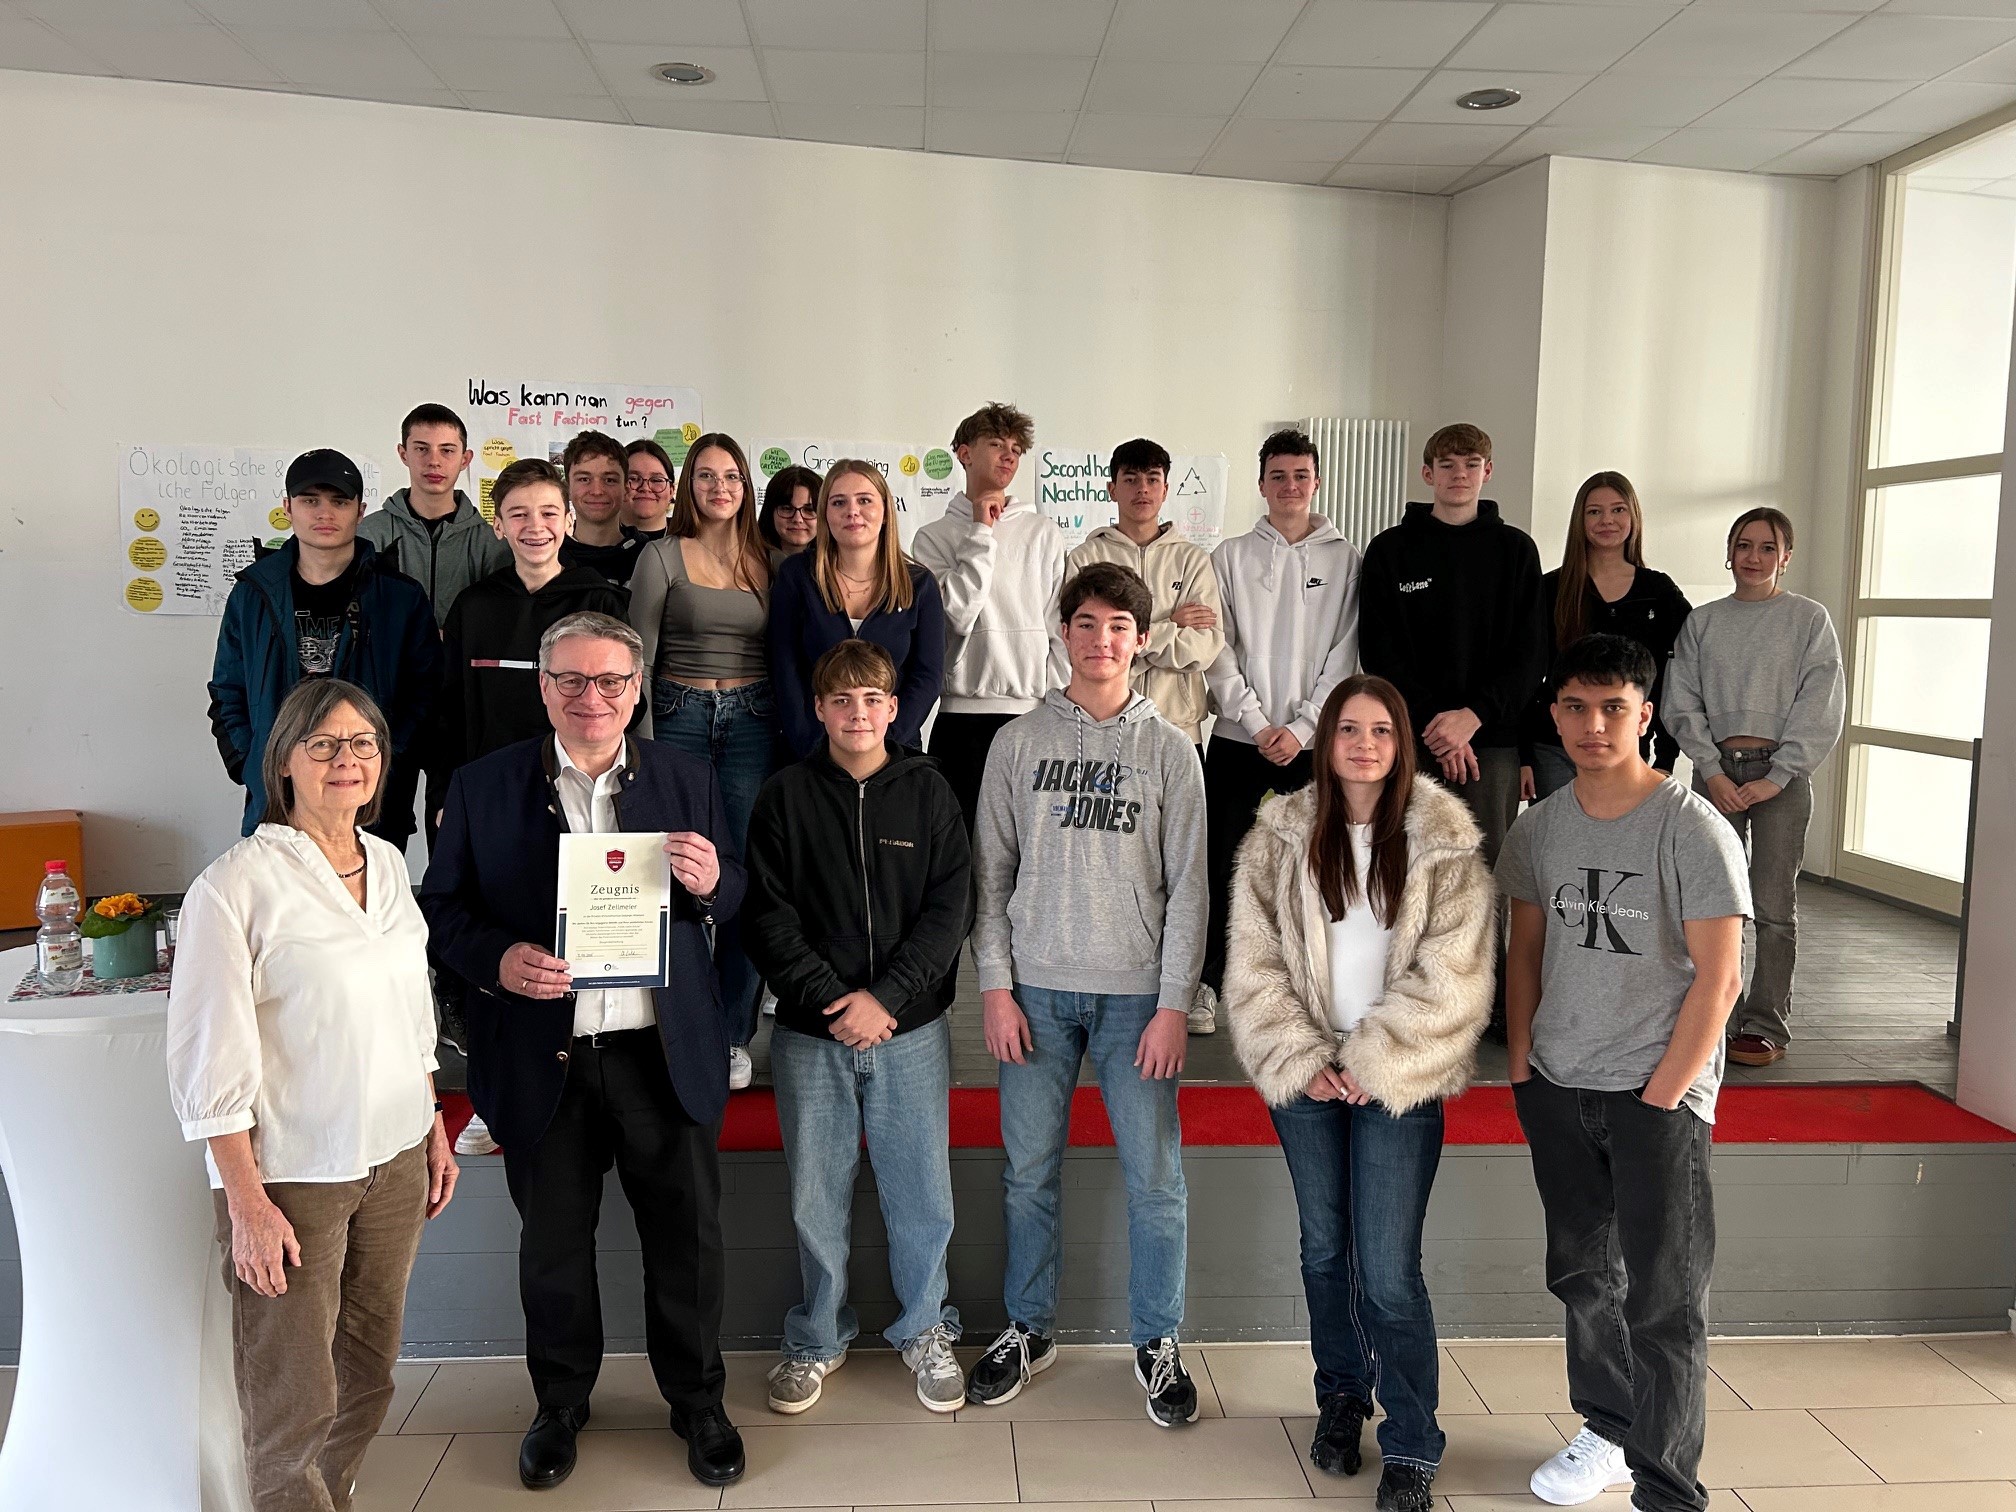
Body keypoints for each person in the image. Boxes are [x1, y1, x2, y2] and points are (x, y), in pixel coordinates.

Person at [419, 612, 748, 1491]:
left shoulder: (684, 776)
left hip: (660, 1055)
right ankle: (560, 1405)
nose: (589, 697)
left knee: (687, 1244)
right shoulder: (484, 786)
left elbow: (736, 894)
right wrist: (496, 959)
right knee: (554, 1249)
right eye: (570, 679)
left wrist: (716, 882)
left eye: (608, 680)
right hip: (544, 1059)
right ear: (543, 687)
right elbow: (441, 910)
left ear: (636, 690)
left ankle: (698, 1402)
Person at [169, 678, 458, 1512]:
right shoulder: (235, 887)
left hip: (395, 1156)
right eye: (323, 744)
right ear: (284, 762)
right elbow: (209, 1059)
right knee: (292, 1399)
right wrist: (246, 1204)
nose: (347, 759)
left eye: (363, 743)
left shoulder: (389, 863)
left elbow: (411, 1012)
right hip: (294, 1176)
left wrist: (433, 1123)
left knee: (367, 1371)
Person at [1224, 675, 1493, 1512]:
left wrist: (1375, 1064)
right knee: (1323, 1253)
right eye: (1348, 729)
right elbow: (1253, 959)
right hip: (1304, 1072)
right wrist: (1301, 1056)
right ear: (1326, 740)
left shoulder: (1444, 840)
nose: (1364, 744)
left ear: (1401, 742)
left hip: (1398, 1081)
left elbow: (1454, 974)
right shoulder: (1280, 832)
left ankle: (1412, 1439)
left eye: (1381, 730)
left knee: (1388, 1272)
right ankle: (1342, 1396)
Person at [1499, 634, 1749, 1512]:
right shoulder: (1539, 827)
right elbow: (1524, 953)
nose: (1593, 725)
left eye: (1613, 707)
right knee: (1582, 1275)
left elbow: (1721, 979)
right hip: (1560, 1085)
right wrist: (1525, 1067)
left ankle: (1668, 1490)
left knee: (1665, 1300)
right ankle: (1607, 1428)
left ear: (1646, 716)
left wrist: (1664, 1093)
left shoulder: (1691, 826)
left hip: (1656, 1095)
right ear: (1555, 715)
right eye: (1575, 707)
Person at [965, 562, 1208, 1427]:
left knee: (1156, 1180)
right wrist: (995, 987)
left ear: (1141, 641)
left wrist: (1173, 1004)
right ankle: (1029, 1329)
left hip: (1136, 1001)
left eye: (1118, 626)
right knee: (1028, 1175)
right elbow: (990, 877)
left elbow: (1190, 890)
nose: (1101, 640)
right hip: (1034, 992)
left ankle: (1157, 1339)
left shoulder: (1171, 750)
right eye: (1086, 624)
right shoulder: (1016, 743)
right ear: (1063, 632)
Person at [743, 640, 973, 1416]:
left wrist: (889, 1000)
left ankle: (926, 1330)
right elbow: (766, 917)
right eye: (841, 699)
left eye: (873, 698)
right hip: (813, 1035)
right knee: (816, 1197)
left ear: (894, 707)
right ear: (818, 709)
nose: (858, 713)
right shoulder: (784, 796)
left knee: (922, 1193)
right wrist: (835, 1002)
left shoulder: (929, 791)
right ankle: (816, 1338)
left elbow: (951, 910)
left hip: (910, 1031)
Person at [1663, 507, 1844, 1069]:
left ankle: (1764, 1024)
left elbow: (1821, 703)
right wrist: (1712, 769)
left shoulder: (1808, 619)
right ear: (1729, 552)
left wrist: (1779, 774)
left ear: (1785, 557)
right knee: (1712, 903)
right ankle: (1715, 1015)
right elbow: (1680, 699)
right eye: (1744, 545)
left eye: (1768, 547)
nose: (1754, 557)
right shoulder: (1703, 622)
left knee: (1772, 906)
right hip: (1715, 773)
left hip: (1781, 780)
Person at [1198, 429, 1361, 1036]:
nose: (1290, 486)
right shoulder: (1230, 556)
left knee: (1318, 866)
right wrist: (1258, 722)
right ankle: (1208, 983)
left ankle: (1315, 989)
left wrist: (1303, 726)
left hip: (1314, 745)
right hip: (1239, 738)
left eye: (1300, 475)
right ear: (1262, 484)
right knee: (1222, 863)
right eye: (1278, 476)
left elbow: (1346, 652)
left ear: (1316, 481)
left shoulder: (1346, 559)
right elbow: (1216, 648)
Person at [628, 432, 775, 1091]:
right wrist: (643, 747)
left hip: (753, 723)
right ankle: (670, 1028)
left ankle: (731, 1034)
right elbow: (639, 658)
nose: (720, 487)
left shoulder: (770, 560)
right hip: (676, 716)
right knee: (669, 877)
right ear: (690, 486)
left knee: (741, 878)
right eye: (707, 476)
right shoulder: (661, 555)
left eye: (732, 476)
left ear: (747, 486)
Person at [207, 448, 440, 848]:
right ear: (287, 507)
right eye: (310, 500)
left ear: (360, 511)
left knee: (367, 889)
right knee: (278, 890)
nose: (325, 513)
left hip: (371, 799)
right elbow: (228, 690)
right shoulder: (253, 594)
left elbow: (426, 693)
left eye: (339, 501)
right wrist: (251, 762)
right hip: (278, 797)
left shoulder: (400, 597)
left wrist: (389, 759)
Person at [1359, 421, 1544, 861]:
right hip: (1412, 736)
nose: (1459, 473)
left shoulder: (1517, 551)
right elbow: (1379, 652)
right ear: (1428, 474)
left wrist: (1473, 716)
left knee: (1486, 871)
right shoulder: (1389, 551)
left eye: (1471, 464)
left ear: (1488, 471)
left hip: (1491, 742)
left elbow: (1531, 654)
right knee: (1404, 864)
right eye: (1447, 464)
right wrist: (1438, 727)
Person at [358, 403, 511, 852]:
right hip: (388, 701)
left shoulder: (491, 541)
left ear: (466, 459)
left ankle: (448, 901)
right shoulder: (369, 535)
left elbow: (499, 621)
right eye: (422, 449)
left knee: (455, 827)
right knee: (377, 826)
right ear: (402, 453)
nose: (434, 461)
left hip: (460, 703)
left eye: (447, 450)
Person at [912, 402, 1066, 831]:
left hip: (1032, 715)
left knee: (1031, 845)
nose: (1008, 456)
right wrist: (981, 531)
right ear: (964, 453)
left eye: (1016, 449)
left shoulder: (1043, 533)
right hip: (960, 718)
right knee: (958, 845)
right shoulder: (932, 538)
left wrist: (1055, 705)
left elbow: (1059, 626)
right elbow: (956, 616)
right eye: (996, 444)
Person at [435, 459, 631, 777]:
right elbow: (449, 710)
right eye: (519, 514)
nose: (535, 526)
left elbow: (624, 701)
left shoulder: (600, 603)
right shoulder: (472, 607)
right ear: (498, 526)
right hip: (490, 779)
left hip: (580, 780)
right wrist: (446, 790)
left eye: (548, 513)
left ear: (568, 521)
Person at [1519, 472, 1691, 803]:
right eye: (1594, 511)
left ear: (1633, 516)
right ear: (1580, 521)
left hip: (1628, 748)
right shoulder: (1551, 589)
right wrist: (1523, 755)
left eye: (1618, 510)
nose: (1606, 520)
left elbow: (1678, 678)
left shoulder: (1658, 592)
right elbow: (1527, 671)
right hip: (1553, 750)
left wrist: (1666, 757)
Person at [768, 460, 946, 758]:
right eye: (839, 502)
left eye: (864, 500)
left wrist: (883, 744)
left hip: (895, 751)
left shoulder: (920, 585)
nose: (852, 511)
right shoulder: (797, 576)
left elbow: (927, 676)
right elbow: (784, 668)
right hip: (811, 753)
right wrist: (813, 746)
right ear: (825, 513)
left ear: (885, 511)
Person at [1065, 437, 1224, 749]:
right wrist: (1172, 624)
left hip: (1179, 729)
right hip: (1103, 725)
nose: (1142, 489)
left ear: (1165, 490)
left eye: (1152, 479)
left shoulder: (1192, 560)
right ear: (1112, 489)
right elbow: (1082, 647)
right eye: (1131, 479)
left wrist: (1128, 639)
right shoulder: (1086, 558)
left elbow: (1204, 649)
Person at [558, 430, 645, 586]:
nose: (597, 491)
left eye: (609, 480)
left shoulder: (650, 556)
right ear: (567, 489)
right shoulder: (550, 557)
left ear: (626, 489)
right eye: (584, 479)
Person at [759, 463, 822, 556]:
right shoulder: (745, 559)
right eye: (787, 509)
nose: (798, 519)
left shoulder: (838, 562)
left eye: (809, 510)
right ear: (770, 512)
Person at [624, 439, 677, 542]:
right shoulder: (595, 542)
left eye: (656, 480)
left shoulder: (693, 541)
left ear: (671, 491)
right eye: (633, 478)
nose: (645, 488)